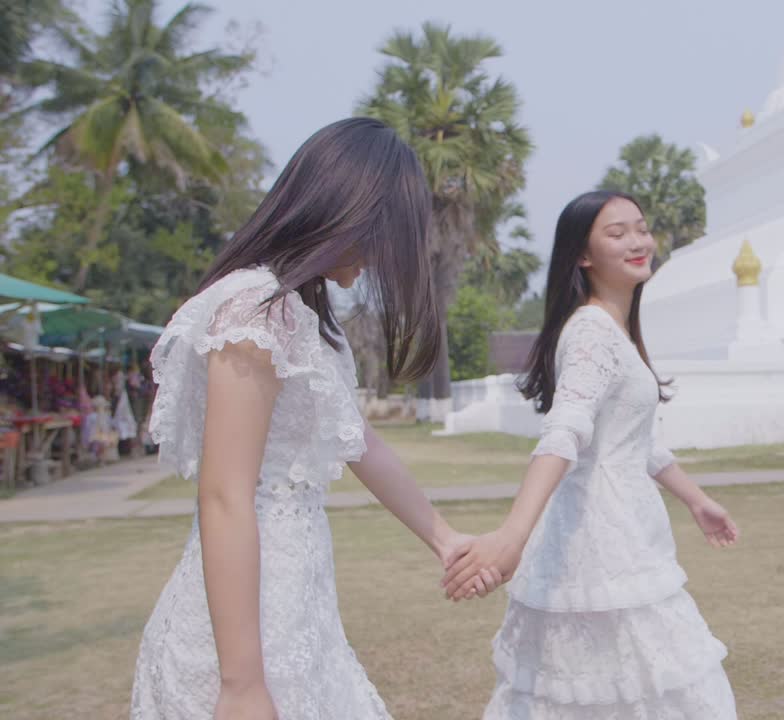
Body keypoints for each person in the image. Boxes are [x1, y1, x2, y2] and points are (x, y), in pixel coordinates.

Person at [131, 117, 497, 720]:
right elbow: (224, 494)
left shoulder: (304, 316)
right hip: (248, 626)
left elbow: (361, 443)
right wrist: (242, 683)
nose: (381, 257)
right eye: (385, 234)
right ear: (349, 211)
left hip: (294, 607)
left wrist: (446, 539)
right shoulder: (256, 309)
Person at [443, 190, 741, 719]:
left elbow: (637, 441)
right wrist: (512, 535)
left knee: (631, 688)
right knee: (649, 686)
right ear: (582, 255)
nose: (638, 242)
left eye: (641, 228)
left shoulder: (614, 330)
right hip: (600, 538)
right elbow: (565, 432)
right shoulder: (591, 332)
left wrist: (697, 501)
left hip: (625, 527)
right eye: (617, 233)